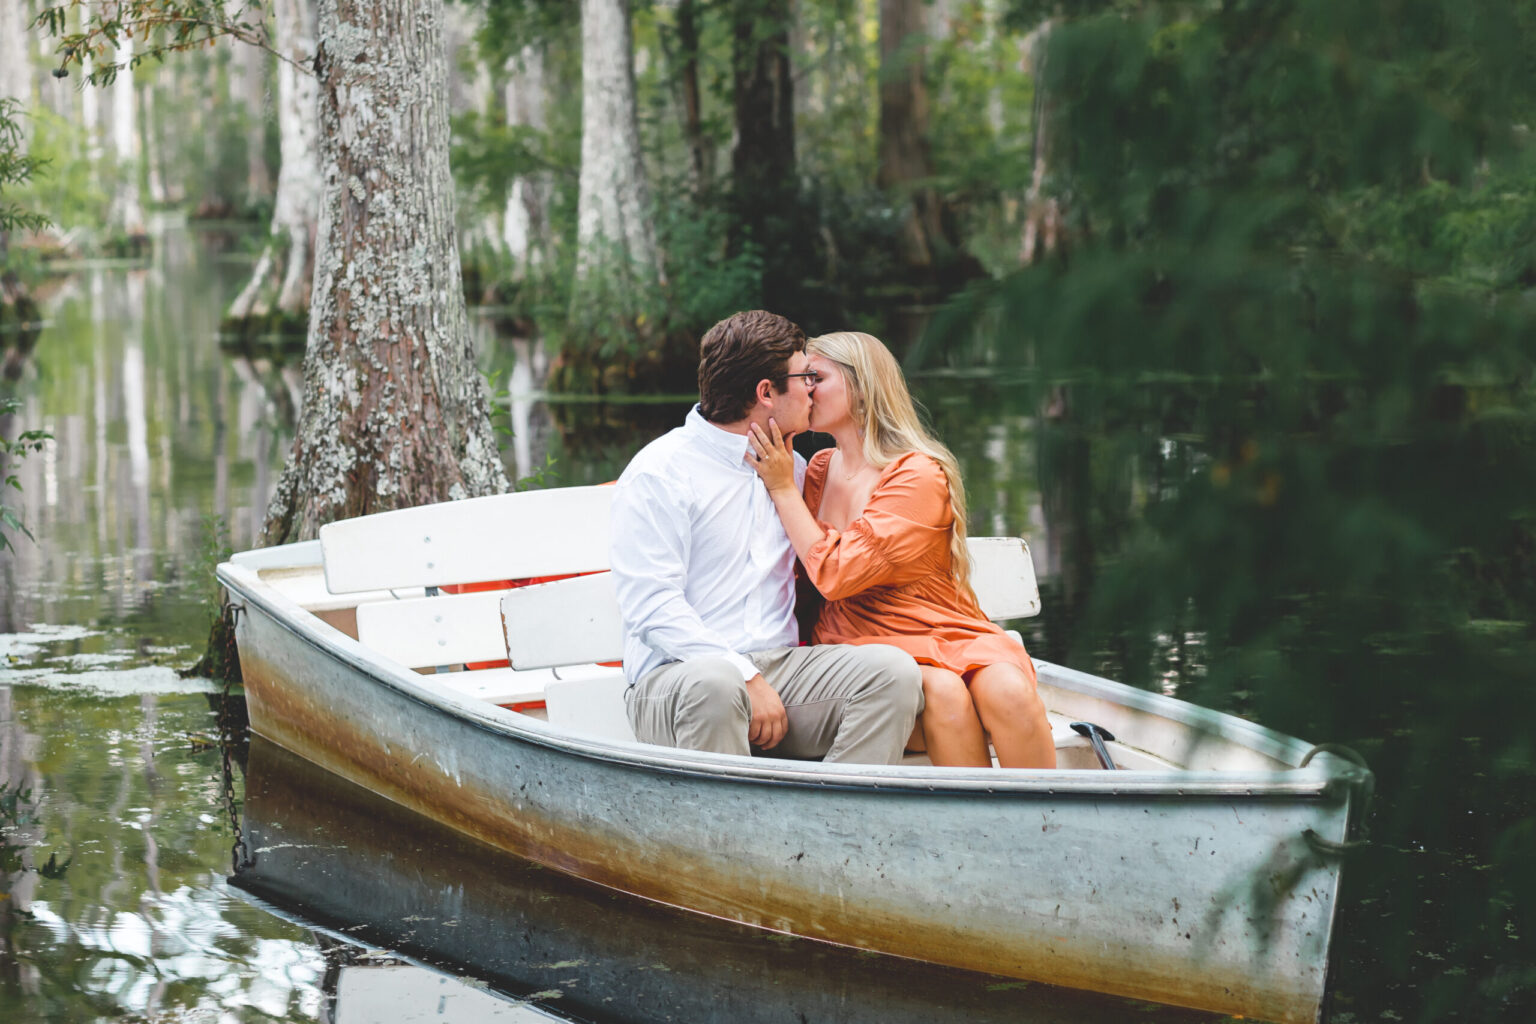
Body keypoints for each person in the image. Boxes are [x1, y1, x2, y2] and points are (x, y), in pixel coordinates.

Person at [610, 311, 923, 763]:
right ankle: (723, 834)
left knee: (891, 674)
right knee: (715, 685)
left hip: (781, 671)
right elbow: (650, 606)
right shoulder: (660, 472)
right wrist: (744, 677)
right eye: (805, 377)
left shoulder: (792, 473)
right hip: (677, 679)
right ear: (766, 393)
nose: (813, 389)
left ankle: (832, 823)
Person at [744, 331, 1057, 769]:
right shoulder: (814, 471)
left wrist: (780, 487)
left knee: (1008, 689)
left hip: (937, 627)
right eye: (801, 377)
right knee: (943, 692)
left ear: (863, 385)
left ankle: (1050, 824)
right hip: (858, 643)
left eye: (815, 376)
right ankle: (970, 832)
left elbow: (837, 570)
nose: (803, 388)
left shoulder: (918, 473)